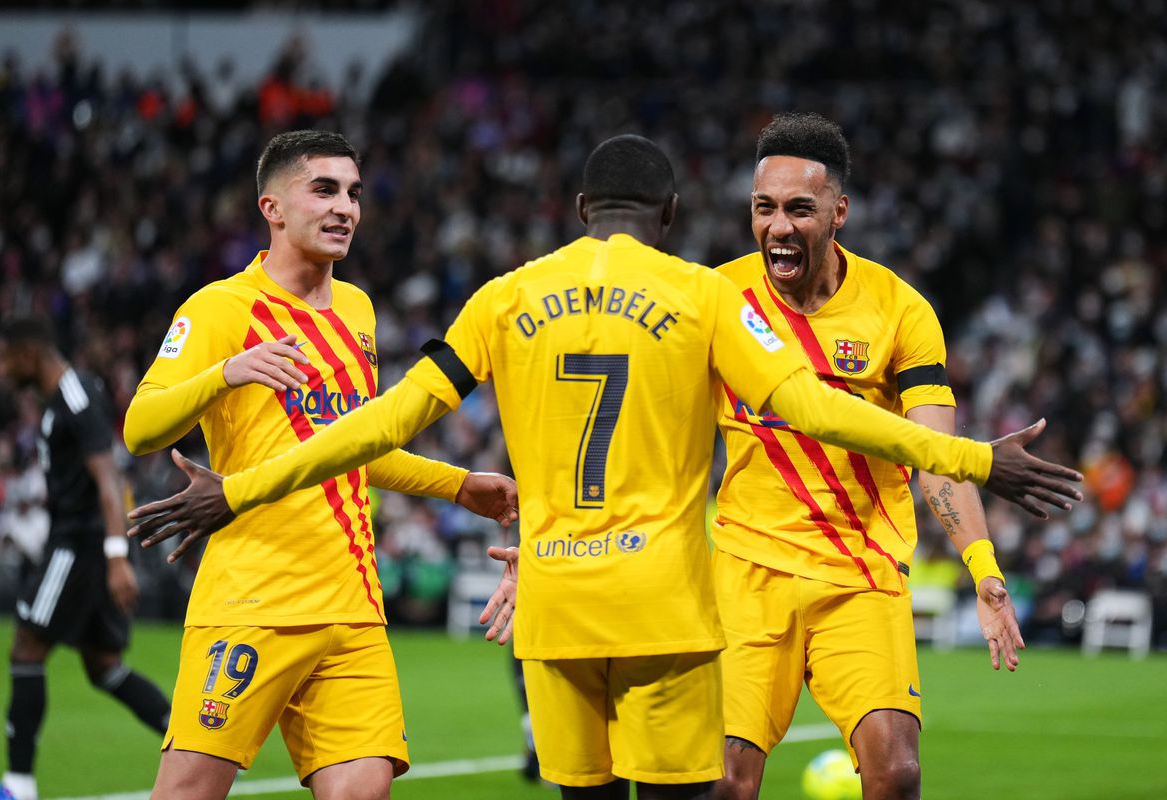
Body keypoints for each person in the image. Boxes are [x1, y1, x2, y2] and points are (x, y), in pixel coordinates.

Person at [125, 135, 1081, 800]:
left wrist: (240, 488)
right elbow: (813, 406)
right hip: (668, 602)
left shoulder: (505, 297)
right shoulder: (707, 297)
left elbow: (378, 425)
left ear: (579, 211)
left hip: (555, 608)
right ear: (672, 211)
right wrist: (973, 458)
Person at [121, 130, 518, 800]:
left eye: (355, 193)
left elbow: (351, 446)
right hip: (253, 600)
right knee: (187, 792)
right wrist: (225, 373)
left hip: (352, 605)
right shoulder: (222, 308)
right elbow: (139, 428)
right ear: (272, 207)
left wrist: (457, 485)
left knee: (363, 793)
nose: (346, 208)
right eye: (325, 189)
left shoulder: (358, 310)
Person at [709, 112, 1034, 800]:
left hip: (860, 575)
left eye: (800, 209)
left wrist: (983, 569)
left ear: (839, 211)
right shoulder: (717, 302)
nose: (779, 227)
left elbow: (938, 454)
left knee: (895, 773)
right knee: (724, 783)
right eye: (764, 208)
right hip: (746, 571)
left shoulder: (899, 310)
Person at [0, 317, 172, 800]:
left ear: (28, 353)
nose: (0, 369)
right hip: (84, 547)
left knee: (26, 648)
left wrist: (116, 556)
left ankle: (18, 786)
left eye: (5, 358)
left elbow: (108, 482)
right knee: (104, 667)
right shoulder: (58, 400)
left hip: (79, 547)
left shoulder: (75, 395)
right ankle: (194, 742)